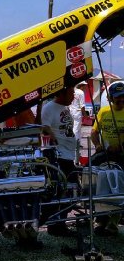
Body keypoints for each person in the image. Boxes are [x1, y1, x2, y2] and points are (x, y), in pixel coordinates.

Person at [41, 87, 78, 236]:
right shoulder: (49, 107)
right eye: (71, 92)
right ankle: (56, 225)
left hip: (68, 155)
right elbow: (44, 126)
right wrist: (52, 137)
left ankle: (60, 223)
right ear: (62, 92)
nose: (74, 95)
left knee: (70, 190)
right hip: (59, 156)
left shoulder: (64, 107)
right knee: (61, 191)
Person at [90, 81, 124, 236]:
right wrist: (97, 145)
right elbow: (94, 132)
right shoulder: (103, 112)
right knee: (101, 186)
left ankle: (113, 223)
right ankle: (101, 220)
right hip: (106, 156)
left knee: (119, 188)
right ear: (110, 98)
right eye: (118, 98)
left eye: (123, 97)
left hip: (122, 155)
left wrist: (121, 146)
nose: (121, 100)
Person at [69, 81, 88, 163]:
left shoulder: (73, 91)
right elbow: (82, 105)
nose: (85, 87)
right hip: (77, 112)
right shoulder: (81, 92)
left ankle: (74, 143)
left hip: (70, 111)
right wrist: (85, 115)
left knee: (73, 128)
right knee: (77, 130)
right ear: (82, 85)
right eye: (85, 86)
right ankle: (75, 144)